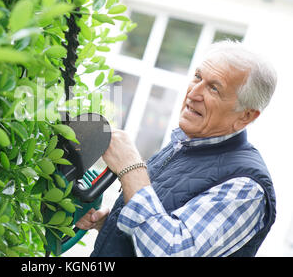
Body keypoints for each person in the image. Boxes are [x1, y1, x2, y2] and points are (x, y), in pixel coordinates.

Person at [76, 40, 277, 257]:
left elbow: (171, 251)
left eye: (214, 88)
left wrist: (131, 168)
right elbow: (159, 222)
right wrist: (114, 223)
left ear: (246, 116)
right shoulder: (185, 146)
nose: (193, 93)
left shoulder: (247, 188)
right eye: (198, 77)